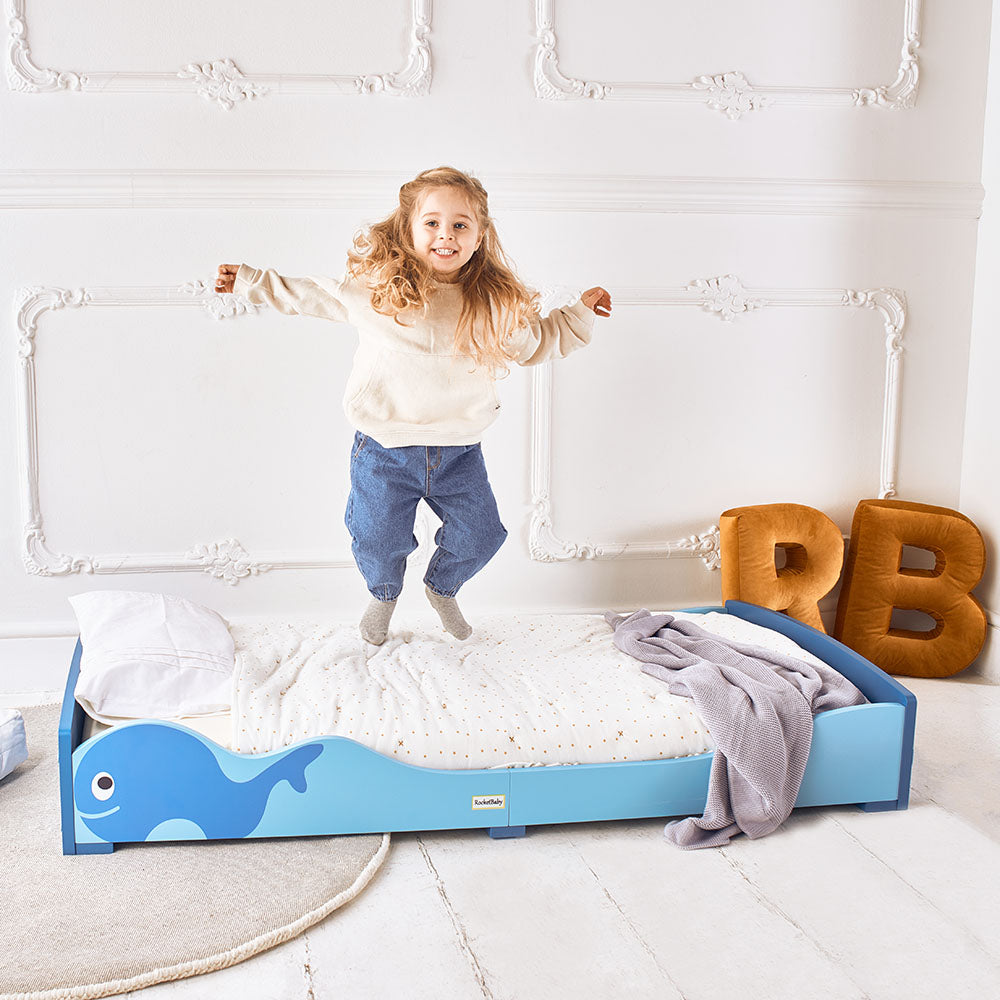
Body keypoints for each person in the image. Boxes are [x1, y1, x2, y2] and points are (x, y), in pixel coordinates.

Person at [216, 165, 611, 645]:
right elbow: (311, 295)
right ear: (408, 229)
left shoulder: (493, 305)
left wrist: (581, 312)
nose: (446, 235)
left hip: (460, 452)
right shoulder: (379, 293)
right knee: (378, 538)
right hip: (384, 449)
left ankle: (442, 588)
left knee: (482, 535)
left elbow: (537, 343)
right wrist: (251, 280)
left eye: (460, 225)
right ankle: (383, 595)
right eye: (432, 223)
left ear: (480, 235)